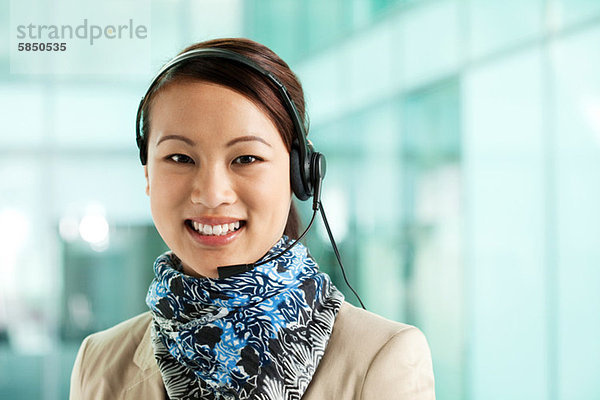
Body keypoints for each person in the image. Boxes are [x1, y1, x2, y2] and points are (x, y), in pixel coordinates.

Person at [69, 37, 435, 400]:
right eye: (180, 158)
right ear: (148, 173)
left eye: (245, 159)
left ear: (298, 175)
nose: (211, 194)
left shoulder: (384, 359)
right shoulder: (98, 365)